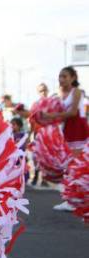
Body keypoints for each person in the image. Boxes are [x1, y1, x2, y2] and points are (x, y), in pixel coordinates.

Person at [41, 67, 88, 211]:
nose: (61, 79)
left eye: (65, 76)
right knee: (70, 166)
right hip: (67, 129)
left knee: (75, 165)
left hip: (78, 129)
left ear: (73, 78)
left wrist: (51, 116)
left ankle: (73, 201)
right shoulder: (60, 95)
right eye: (60, 76)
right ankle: (73, 199)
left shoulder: (77, 92)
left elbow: (73, 112)